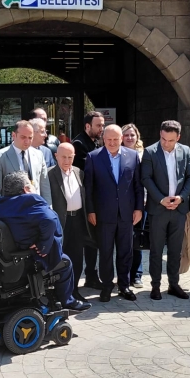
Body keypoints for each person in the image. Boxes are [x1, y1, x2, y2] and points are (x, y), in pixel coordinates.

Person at [0, 172, 89, 312]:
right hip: (28, 257)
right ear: (26, 189)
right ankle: (67, 301)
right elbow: (50, 220)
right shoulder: (30, 201)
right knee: (66, 262)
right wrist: (43, 246)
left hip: (3, 259)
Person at [84, 124, 144, 302]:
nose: (112, 142)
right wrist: (91, 211)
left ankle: (124, 286)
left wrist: (139, 208)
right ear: (103, 139)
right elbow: (89, 188)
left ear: (121, 139)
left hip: (127, 214)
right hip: (103, 215)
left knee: (126, 252)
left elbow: (138, 185)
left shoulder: (132, 156)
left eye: (115, 139)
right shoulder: (93, 157)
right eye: (108, 139)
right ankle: (107, 286)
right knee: (105, 252)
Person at [141, 120, 190, 300]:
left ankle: (174, 284)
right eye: (163, 139)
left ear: (178, 137)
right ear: (160, 134)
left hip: (179, 209)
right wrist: (161, 199)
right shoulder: (150, 152)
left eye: (170, 140)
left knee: (175, 250)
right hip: (158, 209)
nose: (166, 143)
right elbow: (146, 178)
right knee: (156, 250)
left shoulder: (185, 151)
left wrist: (182, 197)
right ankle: (155, 286)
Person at [47, 142, 92, 306]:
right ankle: (58, 293)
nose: (67, 161)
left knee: (77, 257)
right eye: (63, 157)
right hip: (60, 221)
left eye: (70, 157)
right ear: (56, 156)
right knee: (59, 258)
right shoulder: (49, 174)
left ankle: (74, 290)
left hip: (77, 220)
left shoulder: (79, 172)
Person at [73, 111, 105, 291]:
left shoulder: (96, 142)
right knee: (89, 241)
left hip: (95, 199)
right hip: (85, 201)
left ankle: (92, 275)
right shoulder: (79, 144)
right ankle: (89, 276)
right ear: (87, 126)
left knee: (94, 241)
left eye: (102, 125)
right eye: (98, 125)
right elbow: (87, 172)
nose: (101, 129)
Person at [0, 120, 50, 199]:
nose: (27, 141)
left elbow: (45, 186)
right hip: (12, 205)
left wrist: (47, 205)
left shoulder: (39, 155)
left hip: (36, 204)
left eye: (30, 138)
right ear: (14, 135)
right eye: (23, 137)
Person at [122, 123, 146, 288]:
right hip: (123, 203)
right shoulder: (117, 153)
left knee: (137, 239)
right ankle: (124, 274)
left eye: (132, 135)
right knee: (124, 240)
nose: (130, 138)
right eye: (126, 135)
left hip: (140, 203)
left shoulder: (145, 155)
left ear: (137, 136)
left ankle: (136, 275)